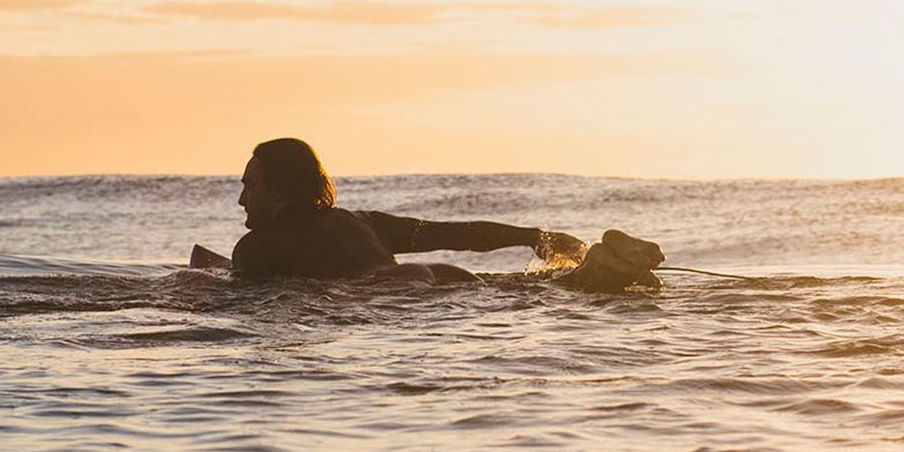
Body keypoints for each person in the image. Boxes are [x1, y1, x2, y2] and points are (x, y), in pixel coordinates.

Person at [189, 137, 664, 292]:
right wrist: (534, 236)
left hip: (396, 295)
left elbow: (246, 298)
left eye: (249, 185)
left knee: (548, 294)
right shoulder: (362, 221)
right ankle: (600, 268)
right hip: (443, 276)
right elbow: (460, 235)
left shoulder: (257, 247)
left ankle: (599, 273)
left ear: (280, 191)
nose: (241, 200)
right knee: (545, 290)